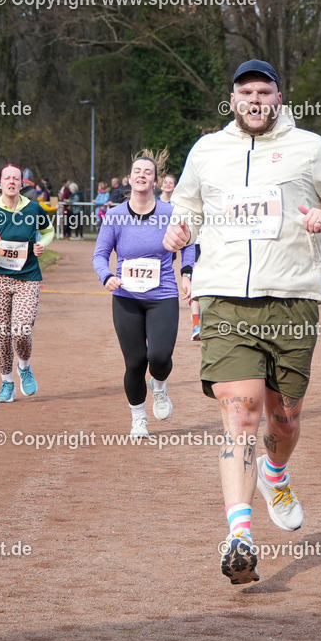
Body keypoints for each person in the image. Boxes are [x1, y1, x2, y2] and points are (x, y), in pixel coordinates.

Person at [164, 59, 321, 584]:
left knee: (285, 417)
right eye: (245, 92)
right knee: (241, 414)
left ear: (278, 97)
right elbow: (185, 206)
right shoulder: (207, 150)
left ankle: (276, 473)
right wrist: (179, 231)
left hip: (293, 298)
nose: (255, 100)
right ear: (232, 99)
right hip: (226, 298)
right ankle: (239, 534)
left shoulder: (309, 147)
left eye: (264, 91)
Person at [94, 153, 195, 437]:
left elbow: (188, 243)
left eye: (147, 172)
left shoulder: (170, 212)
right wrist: (108, 276)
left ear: (155, 179)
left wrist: (187, 273)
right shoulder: (115, 216)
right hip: (126, 297)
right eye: (136, 171)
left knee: (159, 357)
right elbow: (100, 254)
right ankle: (138, 417)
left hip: (162, 294)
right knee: (136, 361)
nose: (141, 175)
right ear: (130, 178)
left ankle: (160, 386)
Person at [0, 164, 54, 402]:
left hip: (27, 278)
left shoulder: (34, 210)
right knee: (2, 334)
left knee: (21, 329)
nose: (11, 182)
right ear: (0, 183)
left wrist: (42, 245)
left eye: (16, 178)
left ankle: (24, 367)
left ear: (21, 183)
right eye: (7, 178)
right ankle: (7, 383)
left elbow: (49, 231)